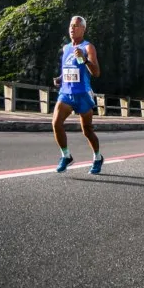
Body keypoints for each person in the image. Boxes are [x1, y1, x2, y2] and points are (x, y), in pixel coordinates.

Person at [52, 16, 103, 174]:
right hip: (66, 93)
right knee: (56, 123)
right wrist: (60, 78)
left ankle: (97, 157)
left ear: (83, 29)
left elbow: (96, 72)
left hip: (82, 94)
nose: (72, 29)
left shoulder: (88, 47)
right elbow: (67, 68)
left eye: (76, 26)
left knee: (87, 129)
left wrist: (85, 60)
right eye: (70, 26)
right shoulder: (66, 47)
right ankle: (66, 155)